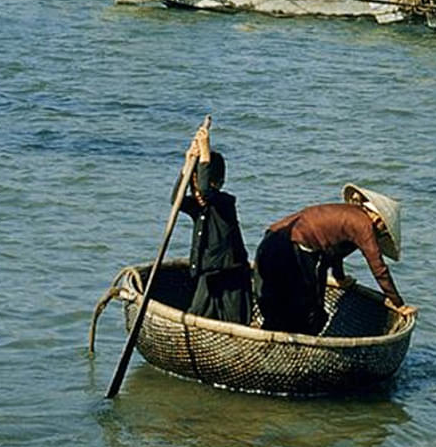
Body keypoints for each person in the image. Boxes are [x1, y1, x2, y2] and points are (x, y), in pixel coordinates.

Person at [254, 183, 416, 334]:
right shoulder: (363, 225)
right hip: (291, 248)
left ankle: (271, 338)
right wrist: (398, 303)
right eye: (383, 229)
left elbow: (333, 253)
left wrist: (340, 277)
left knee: (277, 301)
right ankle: (296, 345)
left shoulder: (347, 214)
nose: (381, 233)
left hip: (270, 240)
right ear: (378, 219)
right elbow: (378, 268)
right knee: (306, 310)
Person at [175, 143, 252, 324]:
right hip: (208, 275)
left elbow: (206, 191)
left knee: (235, 321)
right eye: (193, 186)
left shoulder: (224, 203)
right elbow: (176, 200)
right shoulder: (197, 208)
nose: (197, 192)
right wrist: (187, 165)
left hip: (231, 274)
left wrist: (204, 150)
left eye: (202, 181)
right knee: (197, 315)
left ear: (217, 183)